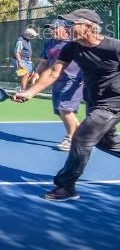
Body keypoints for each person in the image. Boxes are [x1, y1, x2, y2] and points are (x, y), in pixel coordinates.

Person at [14, 8, 120, 202]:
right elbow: (54, 73)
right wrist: (30, 92)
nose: (67, 28)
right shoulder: (71, 47)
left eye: (72, 24)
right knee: (107, 142)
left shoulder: (114, 47)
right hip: (95, 101)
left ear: (88, 27)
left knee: (80, 138)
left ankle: (66, 186)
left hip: (114, 103)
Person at [33, 19, 84, 151]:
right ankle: (80, 136)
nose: (52, 31)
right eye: (50, 28)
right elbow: (44, 62)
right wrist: (37, 74)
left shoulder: (74, 43)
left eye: (55, 28)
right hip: (56, 81)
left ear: (66, 29)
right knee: (61, 110)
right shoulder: (49, 43)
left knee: (64, 108)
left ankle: (72, 138)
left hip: (74, 80)